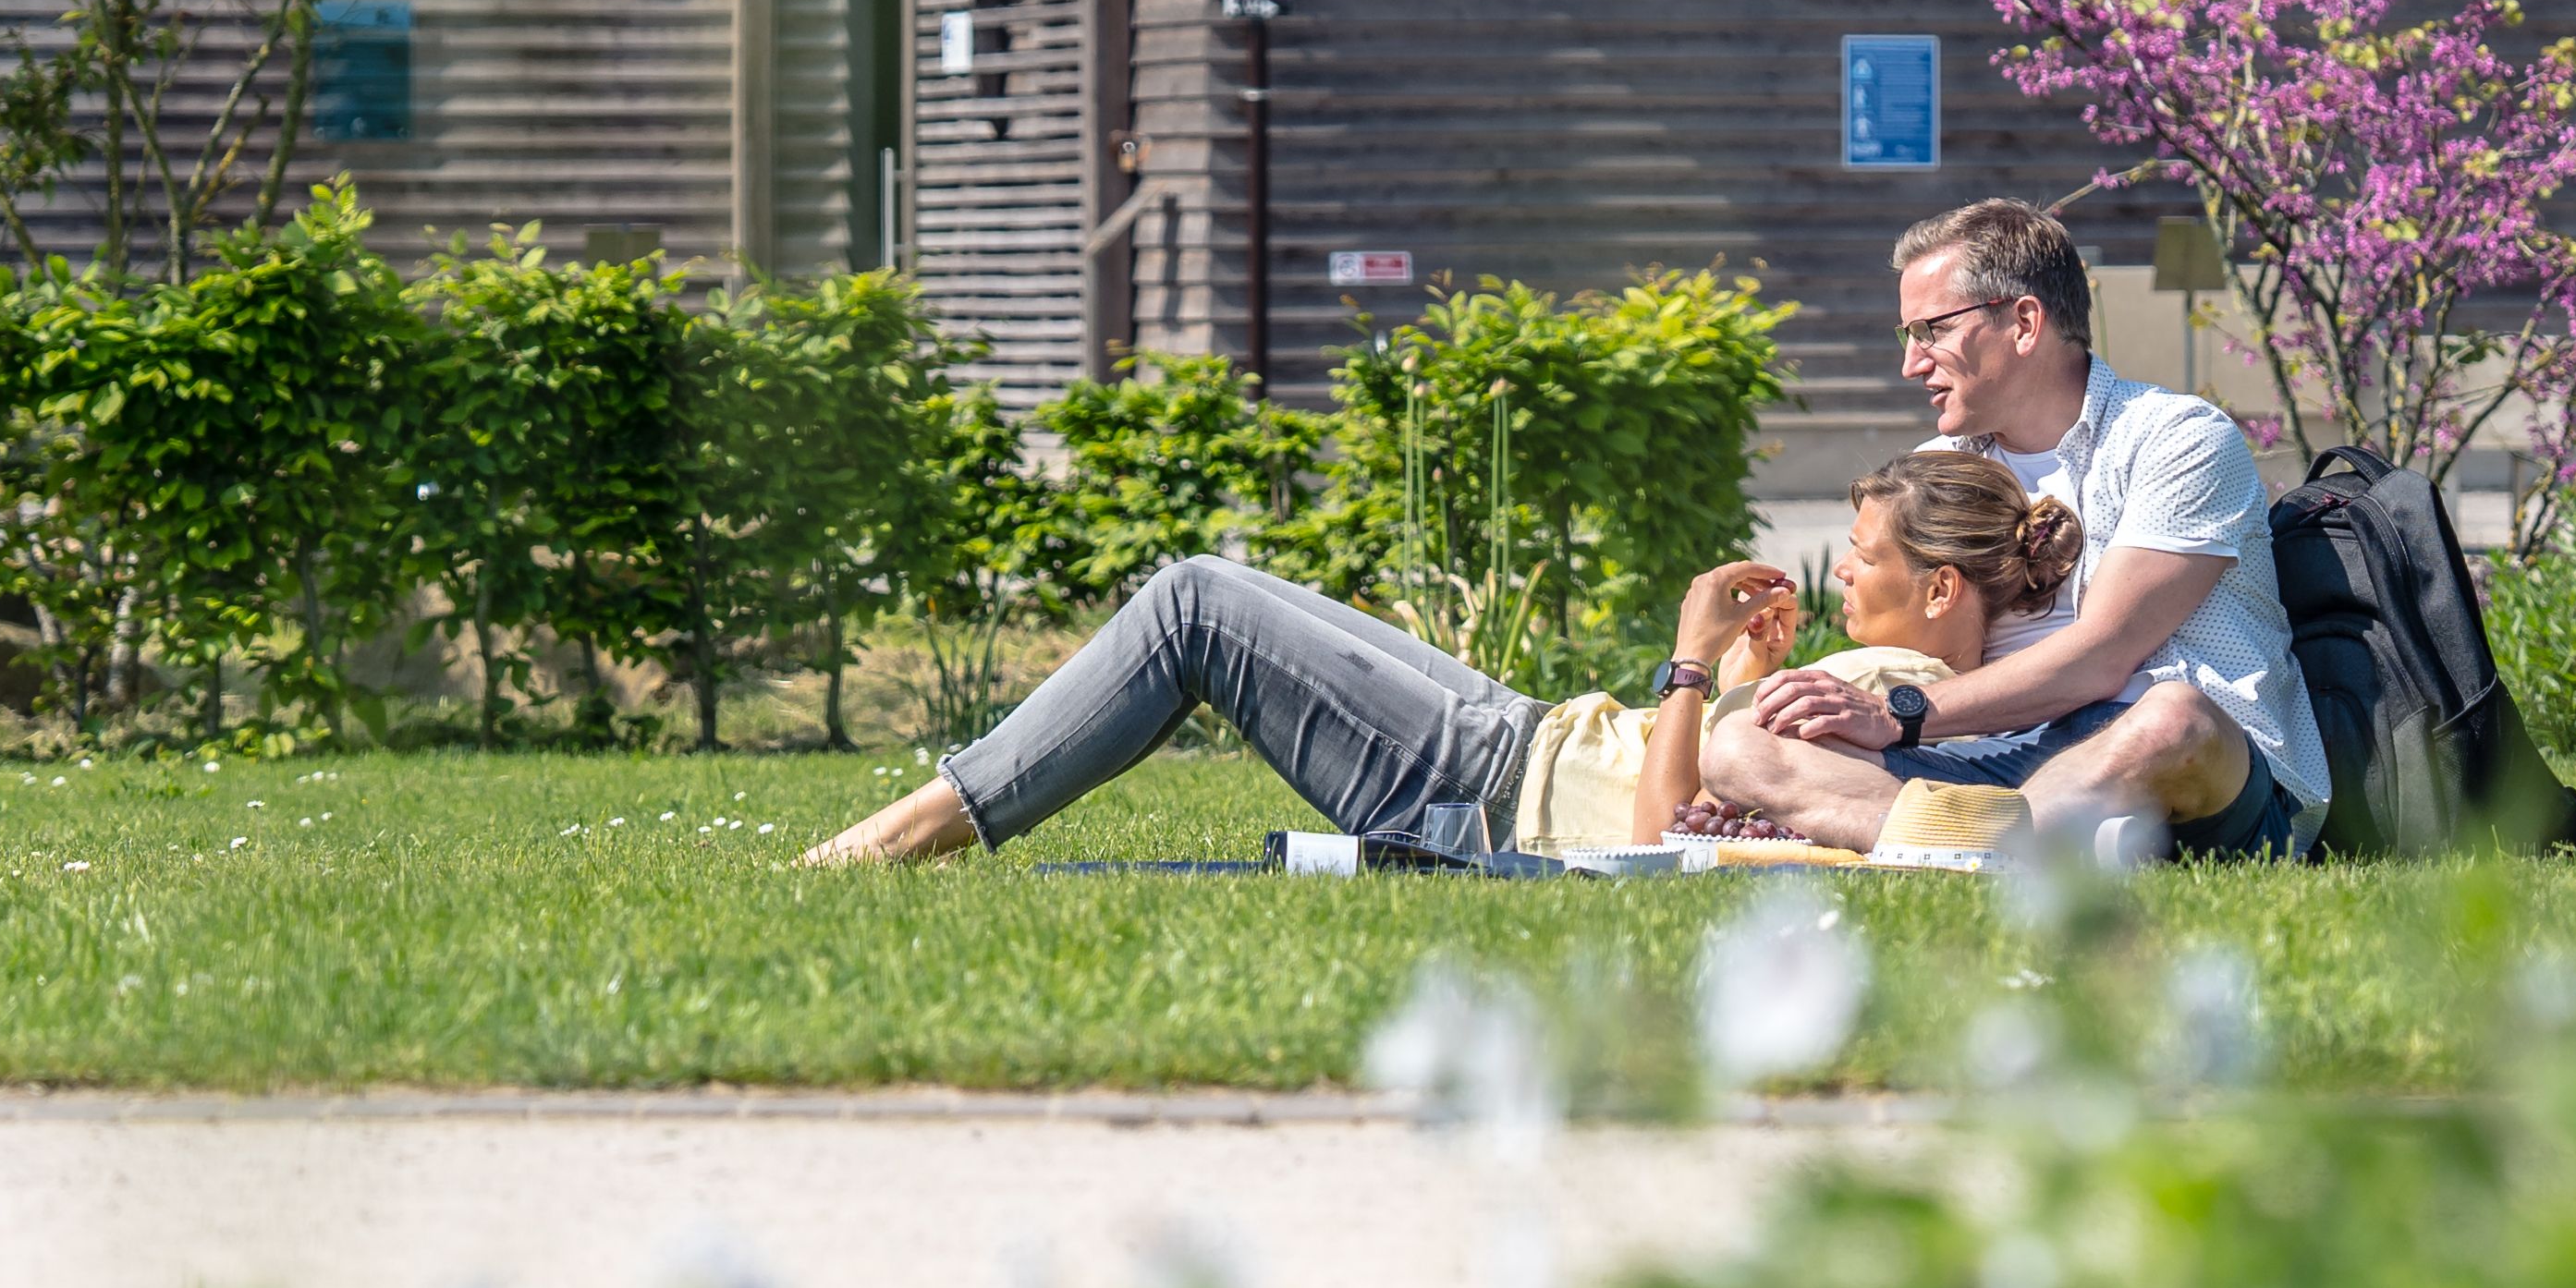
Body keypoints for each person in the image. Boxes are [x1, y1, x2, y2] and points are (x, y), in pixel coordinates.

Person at [796, 436, 2082, 869]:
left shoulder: (1898, 694)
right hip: (1509, 736)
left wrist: (1692, 663)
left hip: (1487, 786)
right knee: (1204, 598)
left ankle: (898, 837)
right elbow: (1728, 804)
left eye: (1863, 555)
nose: (1843, 569)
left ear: (1939, 589)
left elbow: (1660, 840)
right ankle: (920, 820)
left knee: (1195, 601)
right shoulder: (1889, 692)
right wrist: (1739, 679)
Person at [1724, 196, 2319, 860]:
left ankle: (1958, 842)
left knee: (2173, 719)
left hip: (2188, 777)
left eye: (1932, 331)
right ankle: (1992, 843)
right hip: (1998, 761)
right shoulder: (1940, 468)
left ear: (2025, 323)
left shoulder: (2177, 439)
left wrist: (1898, 715)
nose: (1911, 364)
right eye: (1907, 336)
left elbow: (2103, 656)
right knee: (1741, 743)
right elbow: (1925, 650)